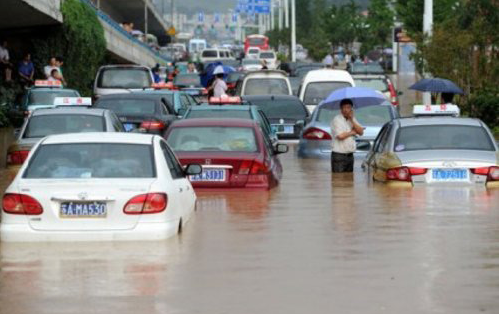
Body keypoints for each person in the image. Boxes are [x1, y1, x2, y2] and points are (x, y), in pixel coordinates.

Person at [330, 98, 364, 173]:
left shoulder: (352, 119)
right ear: (341, 109)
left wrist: (351, 120)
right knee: (338, 180)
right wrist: (352, 132)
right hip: (339, 156)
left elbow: (361, 132)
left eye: (348, 107)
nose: (346, 110)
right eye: (344, 107)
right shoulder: (337, 120)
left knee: (349, 181)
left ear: (351, 109)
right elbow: (340, 136)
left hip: (350, 155)